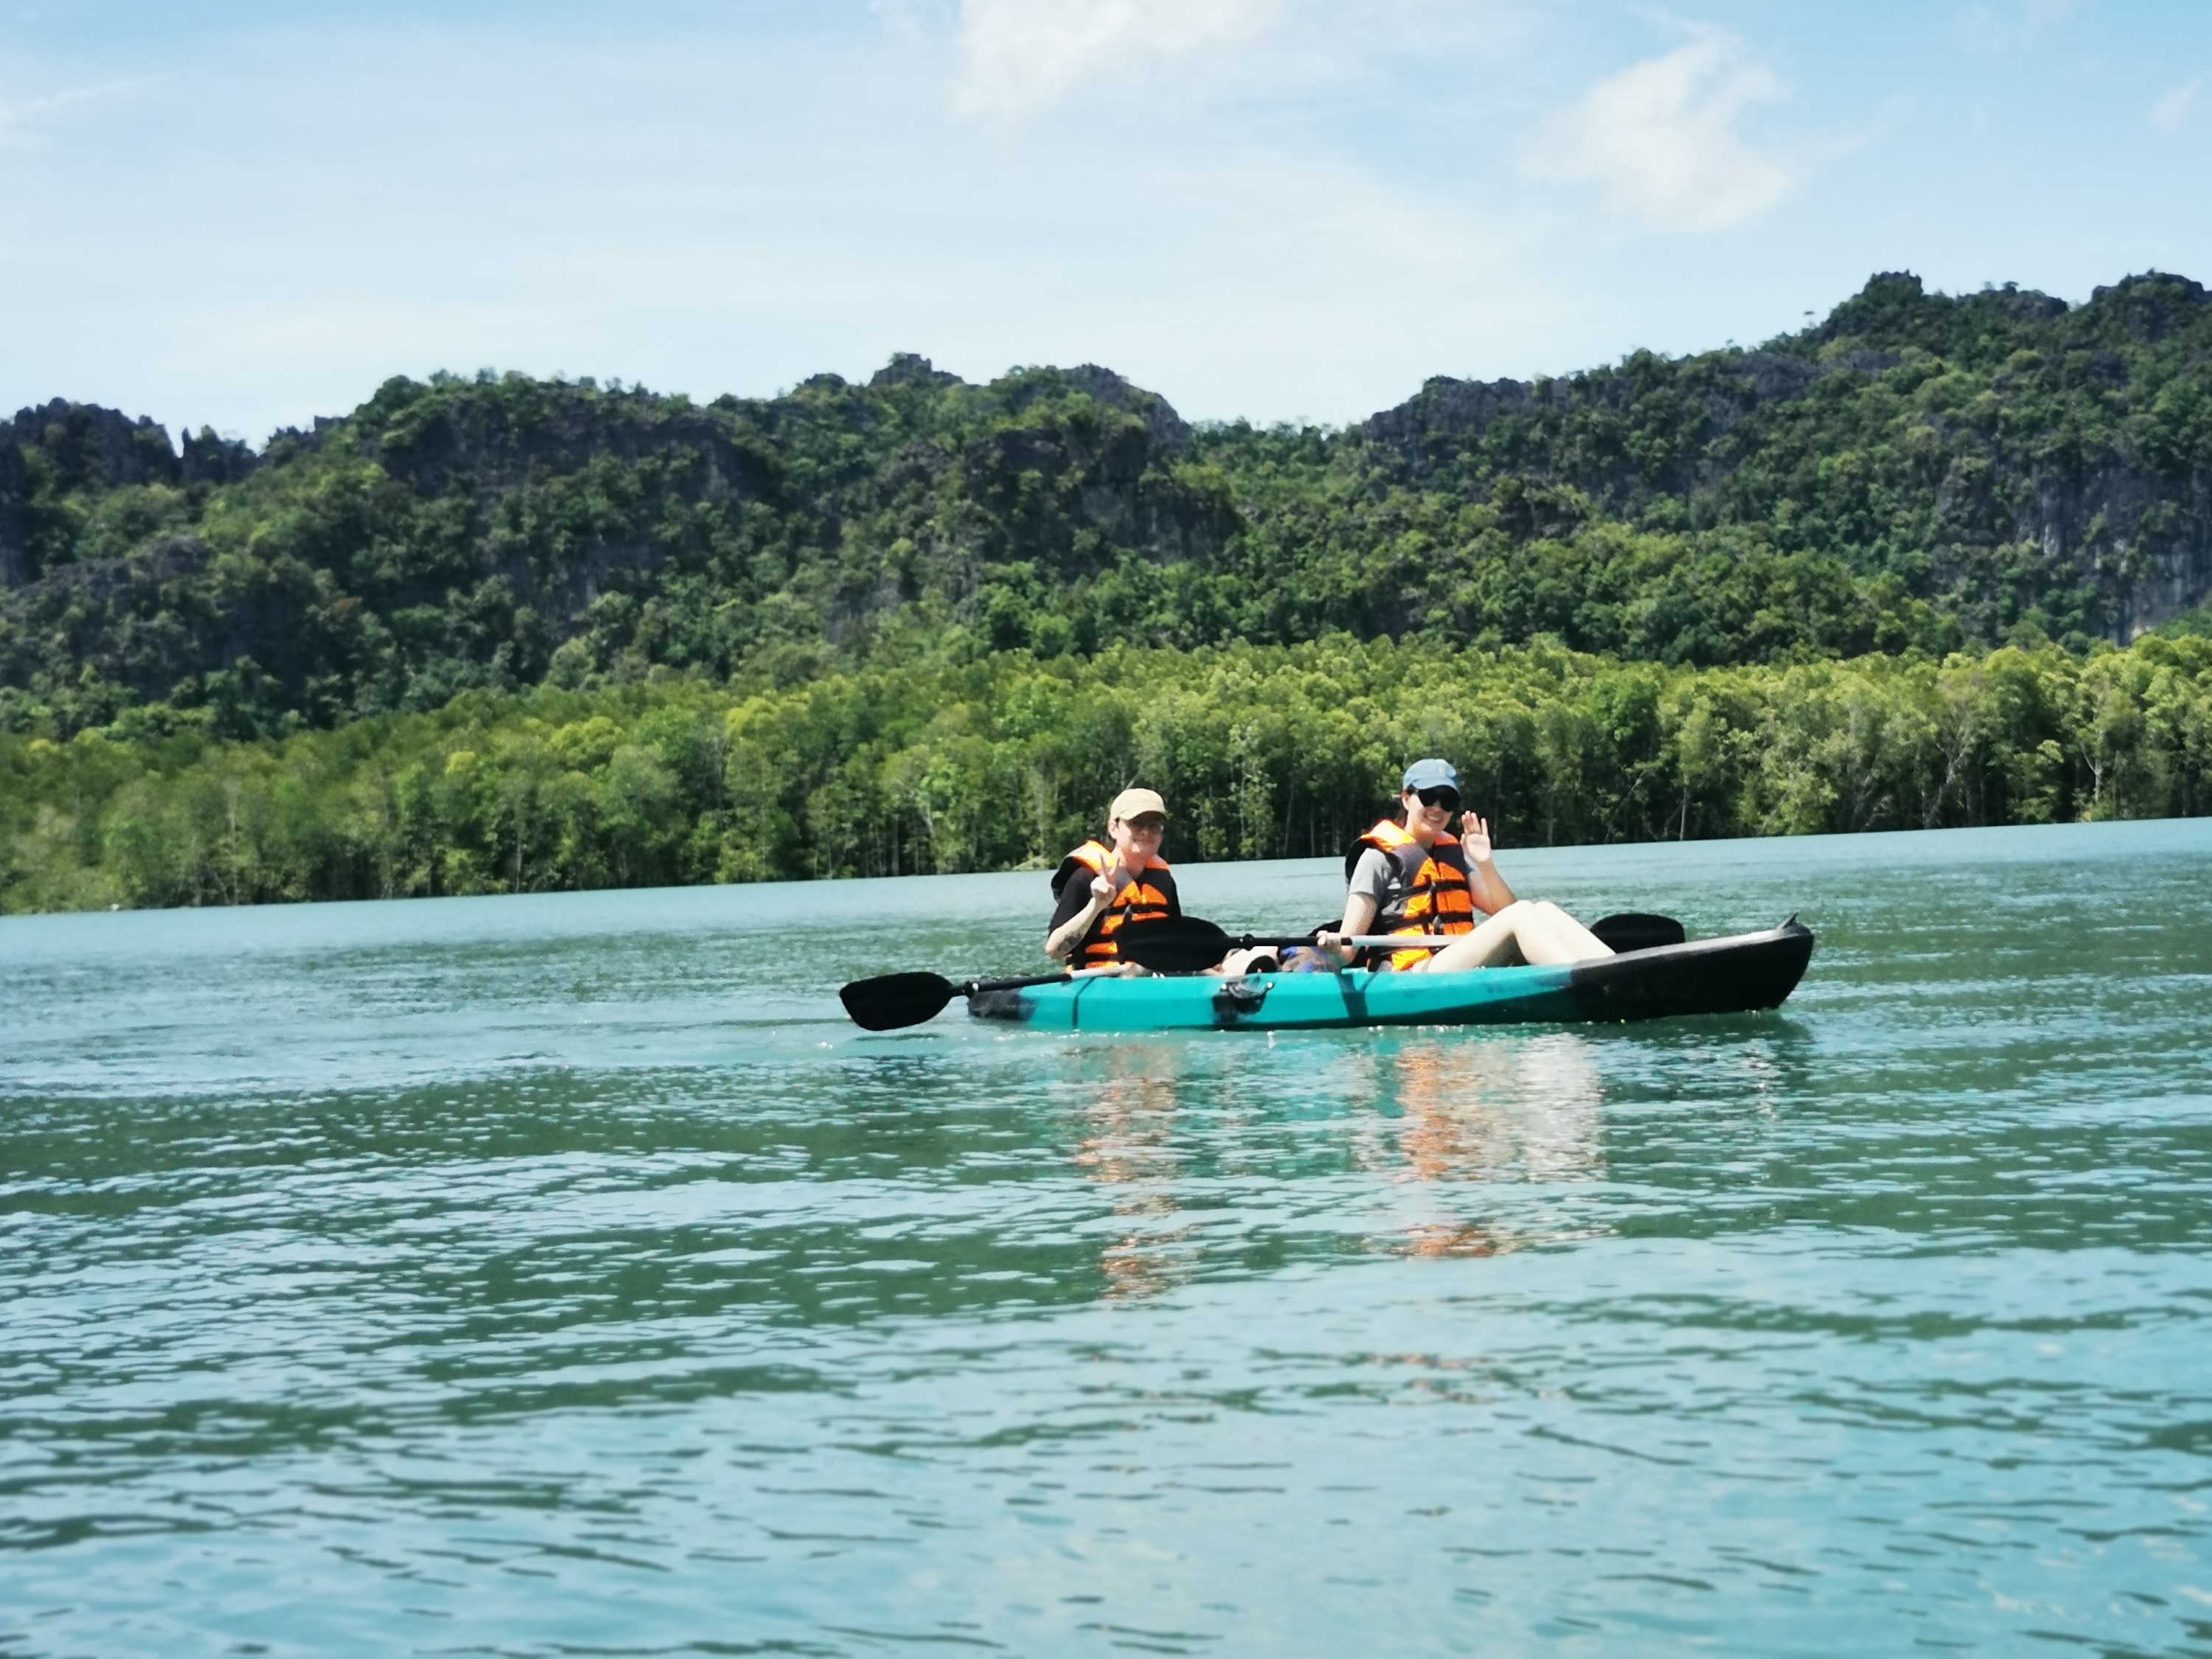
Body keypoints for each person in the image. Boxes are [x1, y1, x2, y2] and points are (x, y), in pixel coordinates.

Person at [1324, 758, 1613, 973]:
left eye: (1447, 800)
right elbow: (1347, 952)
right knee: (1523, 914)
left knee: (1543, 910)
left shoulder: (1452, 854)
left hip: (1453, 962)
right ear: (1406, 798)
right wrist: (1334, 948)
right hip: (1410, 974)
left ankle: (1613, 968)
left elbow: (1505, 909)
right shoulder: (1376, 858)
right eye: (1428, 797)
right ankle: (1582, 978)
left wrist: (1484, 863)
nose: (1438, 808)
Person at [1046, 787, 1180, 971]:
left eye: (1154, 825)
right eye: (1137, 823)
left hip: (1149, 980)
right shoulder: (1085, 877)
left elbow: (1177, 942)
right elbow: (1054, 950)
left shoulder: (1163, 881)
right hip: (1097, 985)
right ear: (1114, 829)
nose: (1146, 832)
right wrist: (1097, 905)